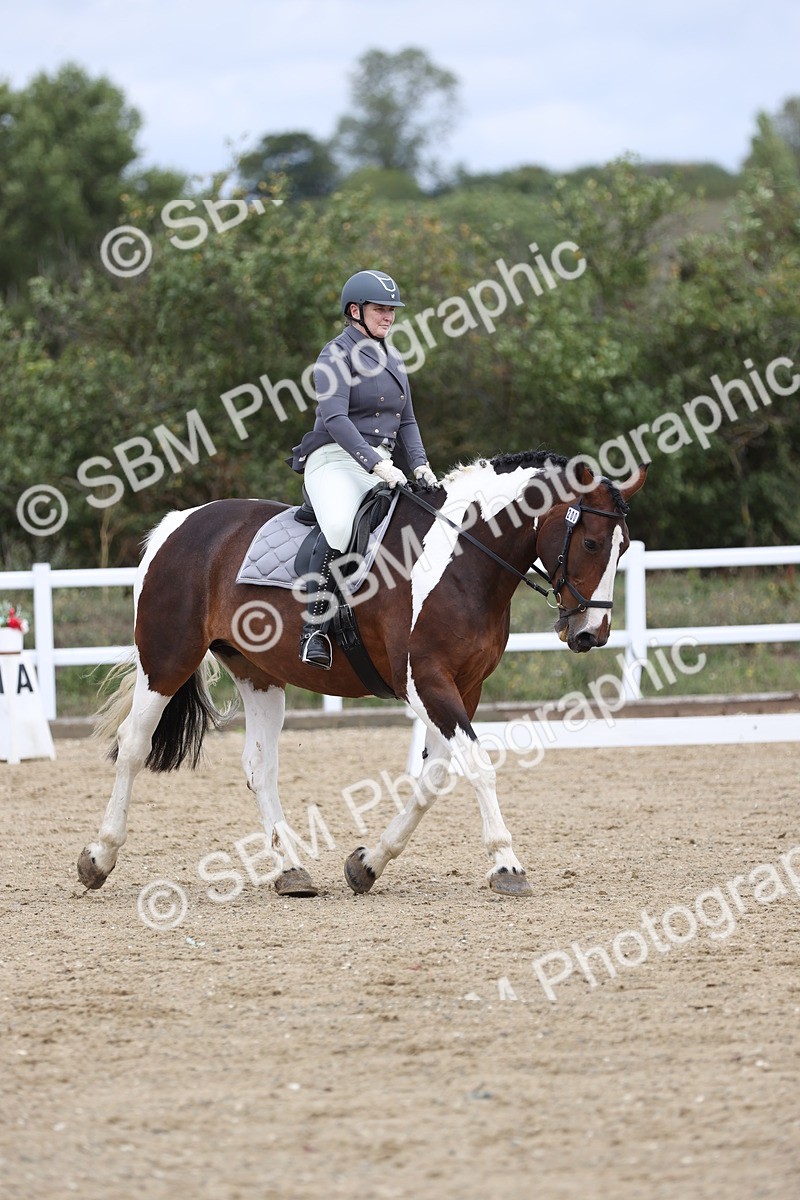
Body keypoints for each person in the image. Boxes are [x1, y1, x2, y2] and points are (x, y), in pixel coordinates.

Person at [287, 269, 439, 669]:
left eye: (391, 310)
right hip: (334, 459)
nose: (388, 317)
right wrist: (376, 463)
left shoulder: (394, 356)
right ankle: (314, 628)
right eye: (380, 309)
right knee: (340, 525)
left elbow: (407, 420)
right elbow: (335, 418)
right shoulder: (333, 355)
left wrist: (420, 465)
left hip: (382, 465)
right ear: (355, 311)